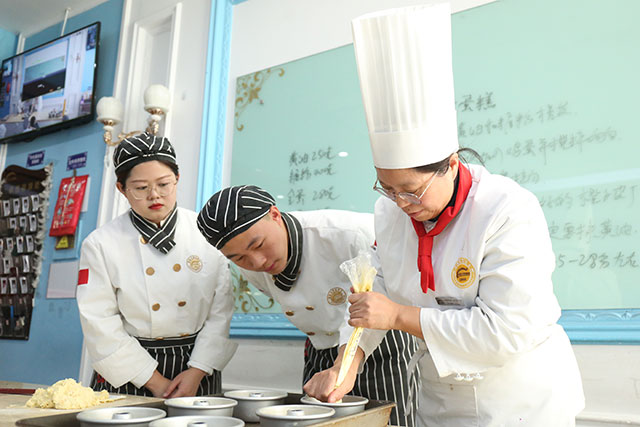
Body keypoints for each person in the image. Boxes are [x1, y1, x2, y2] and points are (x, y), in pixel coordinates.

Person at [303, 4, 585, 426]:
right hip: (440, 398)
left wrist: (399, 315)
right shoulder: (390, 212)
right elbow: (375, 289)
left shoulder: (507, 209)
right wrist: (348, 363)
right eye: (387, 187)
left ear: (450, 164)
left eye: (411, 190)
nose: (400, 203)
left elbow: (505, 331)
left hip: (520, 400)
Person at [197, 185, 418, 427]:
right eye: (238, 258)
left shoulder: (350, 234)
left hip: (383, 350)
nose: (257, 262)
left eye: (258, 245)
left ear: (275, 214)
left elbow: (375, 302)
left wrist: (343, 366)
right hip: (320, 351)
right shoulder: (250, 267)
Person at [76, 132, 237, 397]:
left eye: (164, 184)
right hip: (129, 370)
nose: (155, 195)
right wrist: (155, 382)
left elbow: (220, 312)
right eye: (141, 188)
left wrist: (197, 371)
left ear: (177, 179)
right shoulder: (100, 244)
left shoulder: (206, 232)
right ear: (121, 188)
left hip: (197, 367)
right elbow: (99, 321)